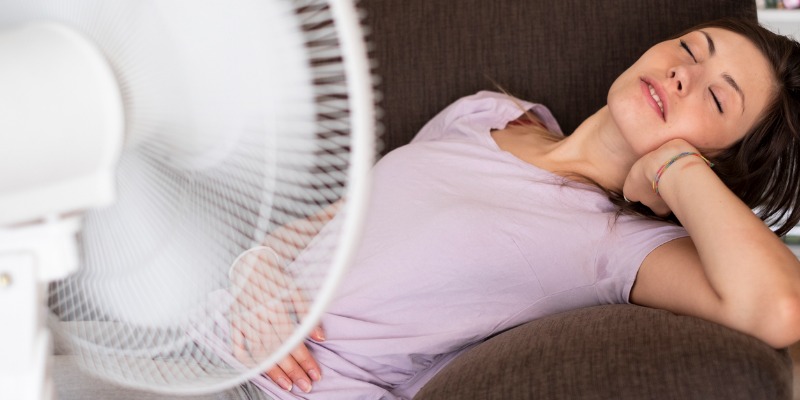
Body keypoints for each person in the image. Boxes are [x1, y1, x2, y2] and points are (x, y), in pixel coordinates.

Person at [52, 16, 800, 400]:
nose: (681, 72)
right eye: (692, 48)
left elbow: (778, 309)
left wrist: (671, 167)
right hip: (197, 333)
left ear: (718, 166)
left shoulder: (616, 247)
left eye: (715, 97)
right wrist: (257, 268)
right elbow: (331, 225)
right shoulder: (487, 113)